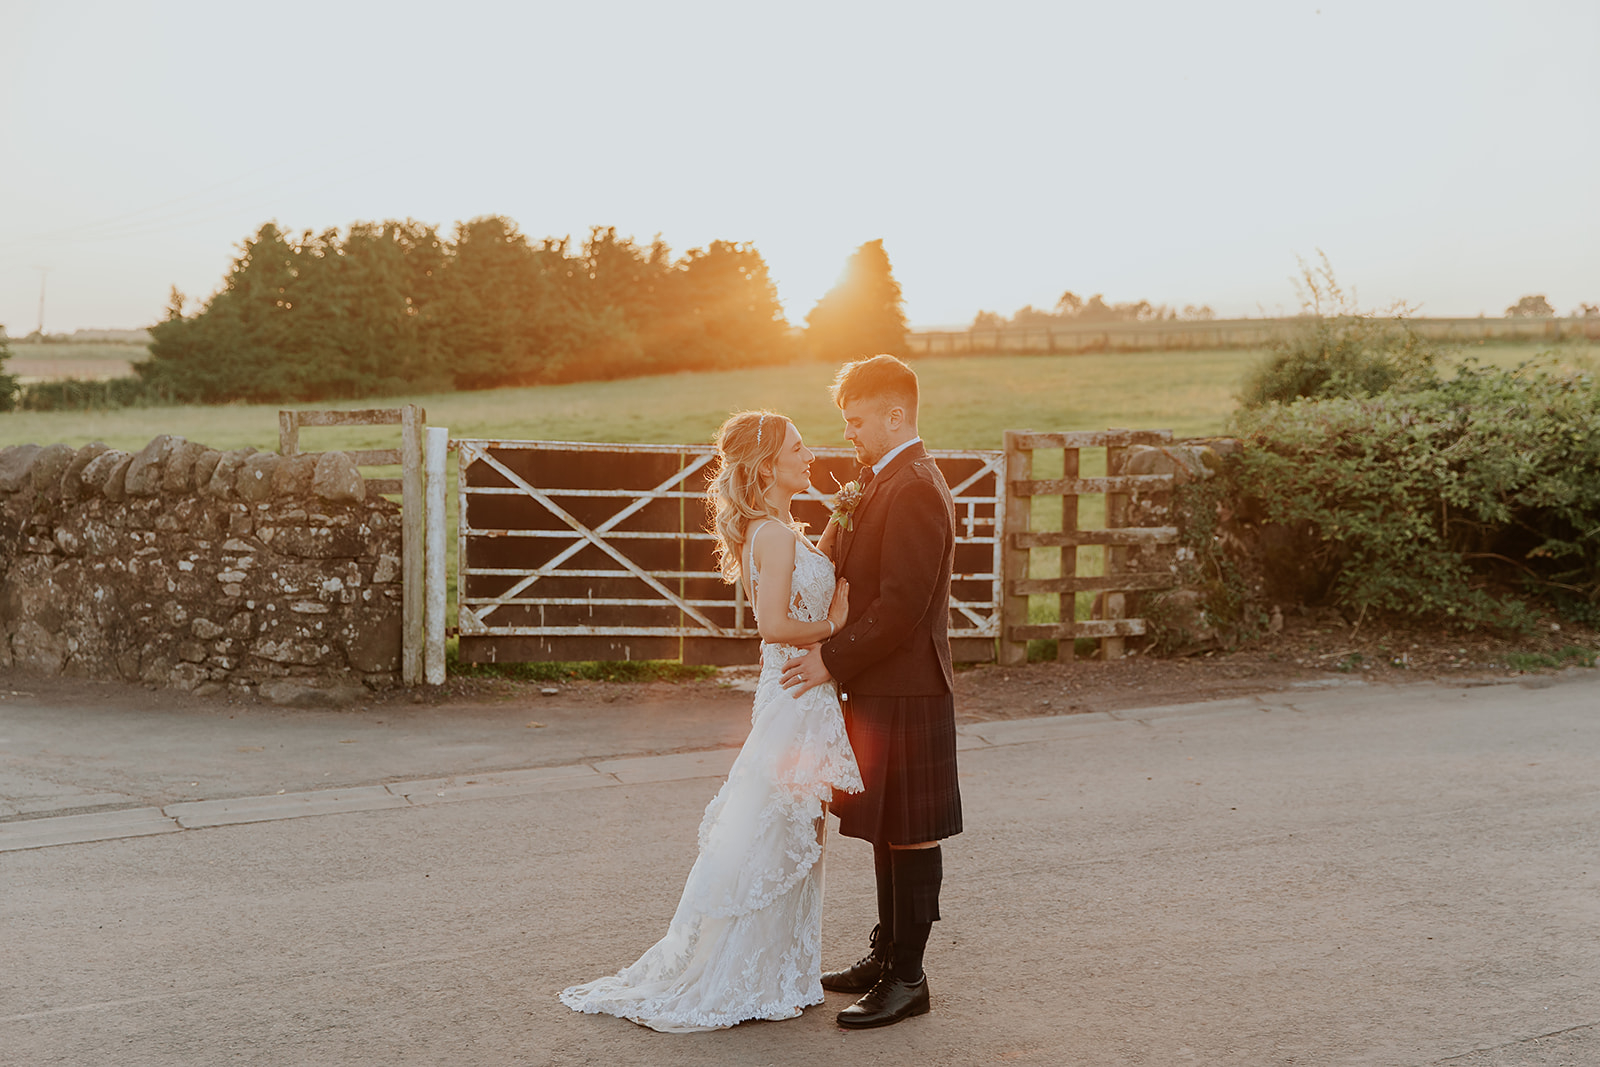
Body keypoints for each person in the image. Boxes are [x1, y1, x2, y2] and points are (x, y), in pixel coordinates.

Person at [559, 410, 861, 1032]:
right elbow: (775, 626)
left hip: (802, 693)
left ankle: (785, 972)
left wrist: (841, 521)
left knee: (795, 831)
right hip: (793, 690)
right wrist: (835, 625)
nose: (810, 456)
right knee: (776, 829)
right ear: (766, 465)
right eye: (798, 449)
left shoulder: (780, 527)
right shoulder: (771, 535)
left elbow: (806, 576)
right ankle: (744, 974)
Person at [780, 354, 962, 1030]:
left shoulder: (914, 485)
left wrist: (830, 658)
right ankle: (887, 954)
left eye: (857, 421)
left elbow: (901, 606)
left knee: (910, 833)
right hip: (883, 685)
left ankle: (908, 977)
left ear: (896, 415)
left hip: (910, 688)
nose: (849, 433)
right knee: (887, 826)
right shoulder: (880, 478)